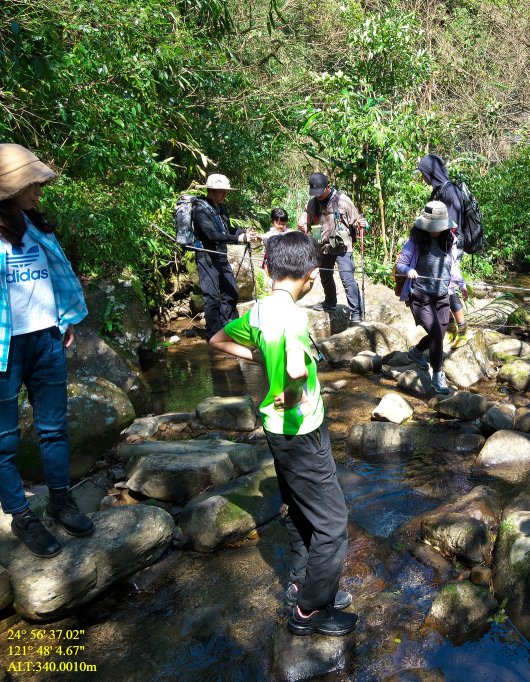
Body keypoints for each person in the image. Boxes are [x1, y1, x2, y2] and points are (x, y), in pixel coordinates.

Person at [209, 231, 356, 637]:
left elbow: (217, 339)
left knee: (297, 504)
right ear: (311, 276)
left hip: (278, 431)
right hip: (301, 429)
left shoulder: (258, 312)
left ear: (267, 269)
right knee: (333, 524)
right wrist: (290, 395)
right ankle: (310, 611)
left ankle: (300, 581)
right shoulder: (294, 317)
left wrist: (257, 355)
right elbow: (294, 370)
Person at [0, 143, 93, 558]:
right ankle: (22, 516)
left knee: (54, 429)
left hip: (46, 338)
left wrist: (64, 318)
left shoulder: (36, 226)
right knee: (4, 440)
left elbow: (54, 277)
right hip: (5, 347)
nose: (39, 188)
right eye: (31, 182)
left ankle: (60, 501)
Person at [395, 201, 465, 396]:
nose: (435, 231)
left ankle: (416, 352)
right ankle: (437, 376)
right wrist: (409, 270)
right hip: (420, 295)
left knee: (439, 335)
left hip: (442, 295)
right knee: (435, 332)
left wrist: (462, 284)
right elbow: (401, 264)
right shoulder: (415, 241)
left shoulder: (449, 239)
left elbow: (454, 266)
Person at [192, 173, 257, 340]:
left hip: (221, 255)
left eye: (226, 191)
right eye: (221, 191)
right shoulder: (200, 209)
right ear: (212, 191)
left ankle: (224, 323)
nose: (225, 194)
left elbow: (226, 231)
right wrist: (238, 239)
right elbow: (212, 235)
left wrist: (243, 232)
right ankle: (213, 335)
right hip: (206, 257)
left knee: (232, 292)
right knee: (211, 296)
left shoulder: (221, 208)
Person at [298, 173, 367, 321]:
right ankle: (330, 302)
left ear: (328, 187)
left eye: (320, 192)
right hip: (324, 246)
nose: (318, 196)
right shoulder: (313, 203)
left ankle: (356, 312)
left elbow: (357, 220)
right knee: (325, 276)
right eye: (314, 193)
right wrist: (303, 224)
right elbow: (305, 217)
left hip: (343, 246)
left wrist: (361, 224)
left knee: (347, 277)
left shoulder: (343, 201)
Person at [416, 154, 469, 347]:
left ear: (430, 172)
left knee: (448, 286)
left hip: (450, 246)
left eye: (423, 173)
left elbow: (451, 227)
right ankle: (450, 329)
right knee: (440, 287)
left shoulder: (450, 191)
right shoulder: (439, 190)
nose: (423, 178)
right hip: (438, 246)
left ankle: (463, 329)